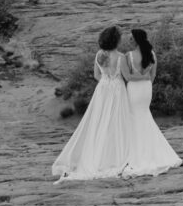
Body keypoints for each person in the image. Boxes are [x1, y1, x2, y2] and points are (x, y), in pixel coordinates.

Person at [52, 24, 130, 181]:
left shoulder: (99, 55)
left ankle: (97, 154)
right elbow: (126, 77)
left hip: (102, 90)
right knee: (116, 121)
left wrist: (106, 82)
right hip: (117, 90)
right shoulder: (121, 57)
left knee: (99, 122)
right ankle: (115, 155)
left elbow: (96, 75)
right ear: (116, 41)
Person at [121, 27, 182, 177]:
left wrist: (140, 79)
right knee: (144, 116)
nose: (128, 41)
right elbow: (153, 75)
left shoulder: (127, 56)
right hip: (146, 89)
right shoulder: (151, 54)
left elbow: (127, 77)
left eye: (130, 38)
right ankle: (151, 150)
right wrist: (145, 80)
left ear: (136, 40)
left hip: (134, 89)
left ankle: (136, 153)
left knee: (135, 117)